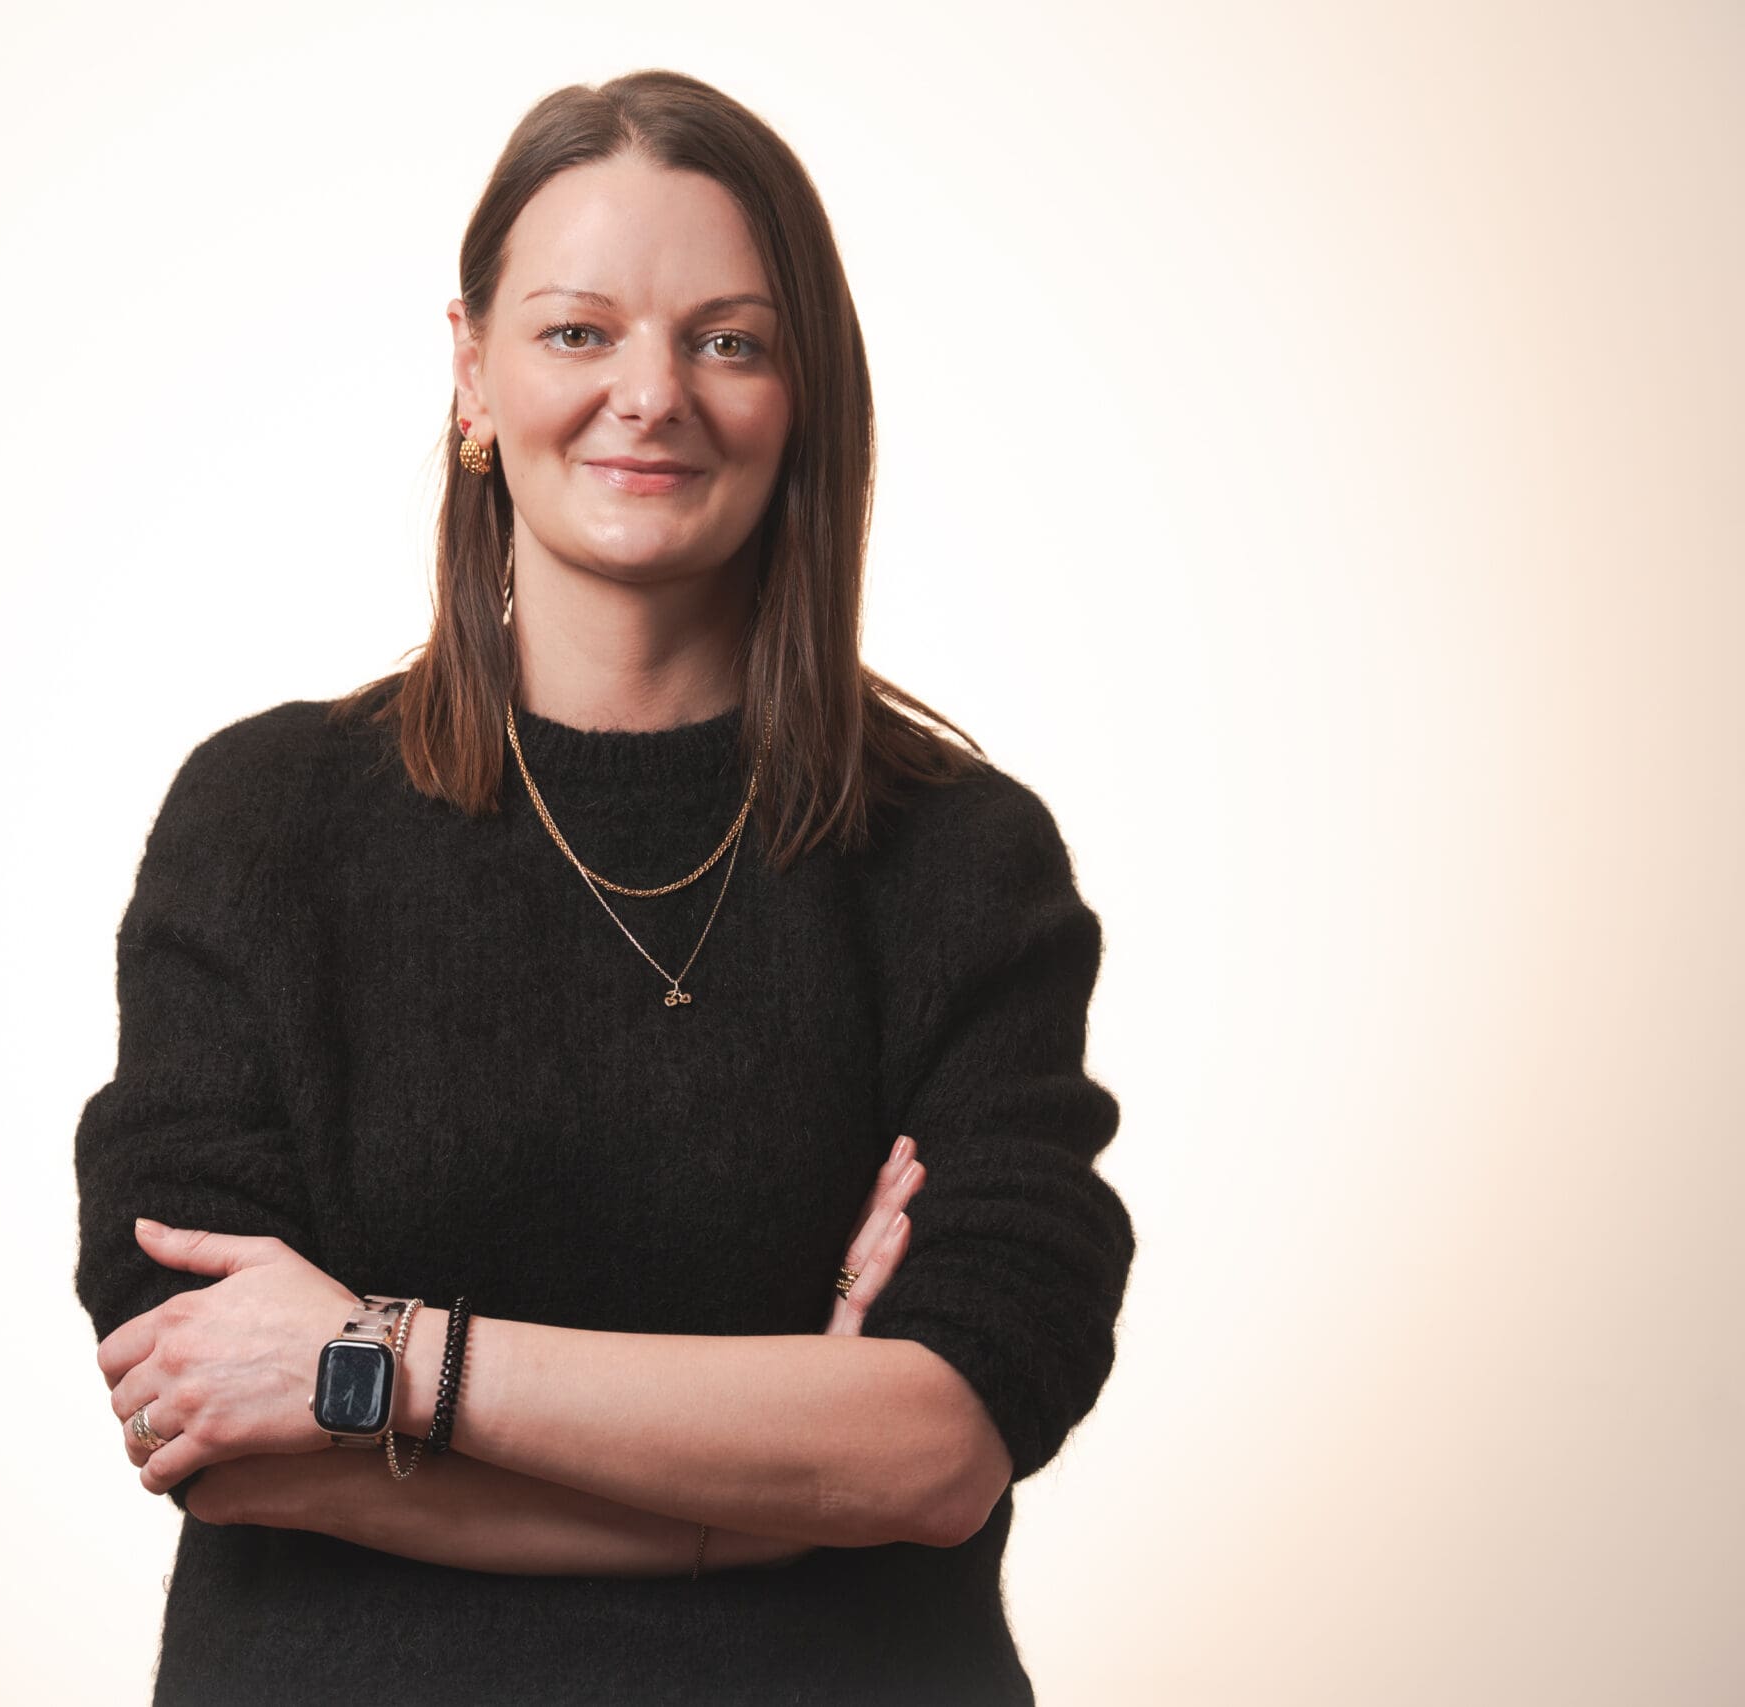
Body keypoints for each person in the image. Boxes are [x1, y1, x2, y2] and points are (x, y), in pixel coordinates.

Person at [72, 67, 1134, 1706]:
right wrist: (764, 1506)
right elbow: (209, 1424)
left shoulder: (959, 859)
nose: (653, 394)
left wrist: (390, 1363)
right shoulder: (264, 822)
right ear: (471, 372)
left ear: (804, 394)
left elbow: (940, 1445)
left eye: (729, 338)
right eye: (580, 331)